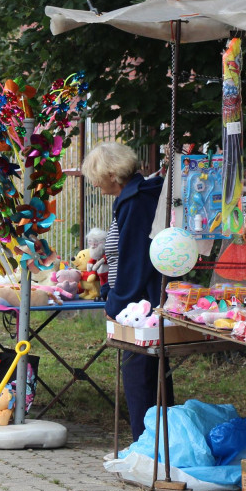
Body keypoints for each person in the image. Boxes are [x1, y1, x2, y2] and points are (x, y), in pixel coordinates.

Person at [81, 141, 172, 441]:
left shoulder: (135, 200)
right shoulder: (133, 196)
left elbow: (135, 260)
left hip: (138, 305)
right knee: (149, 372)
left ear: (112, 173)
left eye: (95, 174)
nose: (93, 182)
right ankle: (157, 442)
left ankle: (147, 444)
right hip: (137, 300)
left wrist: (116, 303)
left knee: (139, 375)